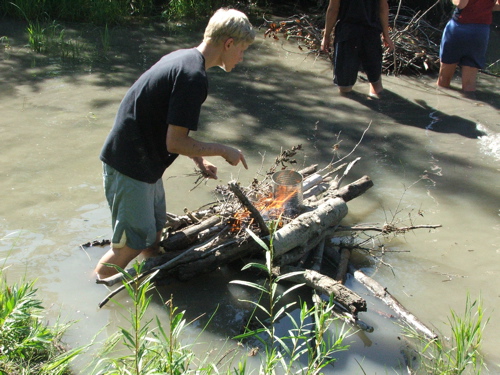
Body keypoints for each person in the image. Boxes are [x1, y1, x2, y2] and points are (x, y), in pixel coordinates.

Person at [94, 8, 256, 280]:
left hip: (143, 164)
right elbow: (175, 142)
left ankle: (152, 283)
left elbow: (167, 126)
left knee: (153, 233)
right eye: (242, 50)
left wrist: (199, 159)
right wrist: (223, 149)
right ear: (228, 44)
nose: (241, 57)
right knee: (132, 242)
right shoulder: (193, 78)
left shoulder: (183, 59)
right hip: (129, 166)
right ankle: (95, 288)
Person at [320, 0, 394, 97]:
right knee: (376, 85)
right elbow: (383, 7)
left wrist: (326, 36)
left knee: (345, 88)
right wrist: (386, 35)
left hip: (348, 34)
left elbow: (334, 9)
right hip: (371, 33)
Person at [437, 0, 500, 95]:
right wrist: (484, 8)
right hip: (480, 31)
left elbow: (461, 4)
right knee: (469, 85)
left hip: (459, 28)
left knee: (444, 80)